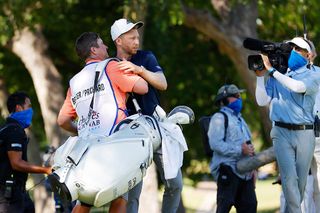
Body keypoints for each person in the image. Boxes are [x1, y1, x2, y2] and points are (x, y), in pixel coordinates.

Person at [57, 32, 148, 213]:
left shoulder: (75, 81)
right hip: (114, 143)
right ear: (93, 49)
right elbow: (142, 88)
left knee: (84, 202)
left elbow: (62, 120)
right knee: (120, 196)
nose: (107, 47)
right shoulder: (111, 66)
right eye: (102, 44)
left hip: (87, 147)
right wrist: (136, 70)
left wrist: (80, 130)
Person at [110, 18, 181, 213]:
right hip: (129, 134)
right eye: (131, 37)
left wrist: (139, 70)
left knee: (175, 183)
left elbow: (162, 83)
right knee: (132, 194)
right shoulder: (110, 65)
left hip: (156, 126)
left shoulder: (146, 58)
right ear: (118, 40)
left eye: (137, 37)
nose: (136, 41)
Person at [255, 36, 320, 213]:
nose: (291, 51)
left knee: (300, 182)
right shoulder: (279, 73)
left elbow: (298, 87)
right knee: (289, 178)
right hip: (281, 132)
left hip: (305, 133)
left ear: (308, 55)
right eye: (290, 47)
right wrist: (260, 77)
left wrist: (271, 71)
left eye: (296, 48)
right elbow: (262, 100)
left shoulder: (315, 73)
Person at [207, 84, 257, 213]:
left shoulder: (240, 119)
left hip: (246, 173)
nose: (240, 98)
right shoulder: (218, 118)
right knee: (224, 207)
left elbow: (248, 144)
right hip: (228, 171)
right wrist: (240, 150)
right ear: (224, 100)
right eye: (236, 96)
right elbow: (216, 144)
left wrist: (254, 168)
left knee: (250, 206)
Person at [0, 92, 52, 212]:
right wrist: (46, 170)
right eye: (29, 106)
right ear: (19, 108)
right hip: (9, 197)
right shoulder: (14, 130)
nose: (31, 110)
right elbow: (16, 163)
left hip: (18, 192)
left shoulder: (5, 129)